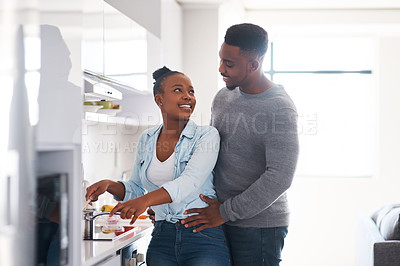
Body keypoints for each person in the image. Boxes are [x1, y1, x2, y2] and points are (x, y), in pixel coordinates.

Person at [85, 66, 231, 266]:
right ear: (159, 100)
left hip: (202, 236)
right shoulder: (147, 138)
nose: (188, 96)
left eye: (191, 91)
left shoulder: (206, 135)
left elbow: (190, 181)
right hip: (162, 238)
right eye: (178, 90)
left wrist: (146, 201)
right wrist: (109, 185)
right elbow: (136, 188)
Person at [181, 23, 299, 266]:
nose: (221, 69)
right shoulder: (223, 97)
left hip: (259, 228)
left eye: (229, 64)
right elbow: (211, 156)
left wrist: (224, 212)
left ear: (254, 64)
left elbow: (280, 177)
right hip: (221, 219)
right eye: (221, 60)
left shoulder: (279, 107)